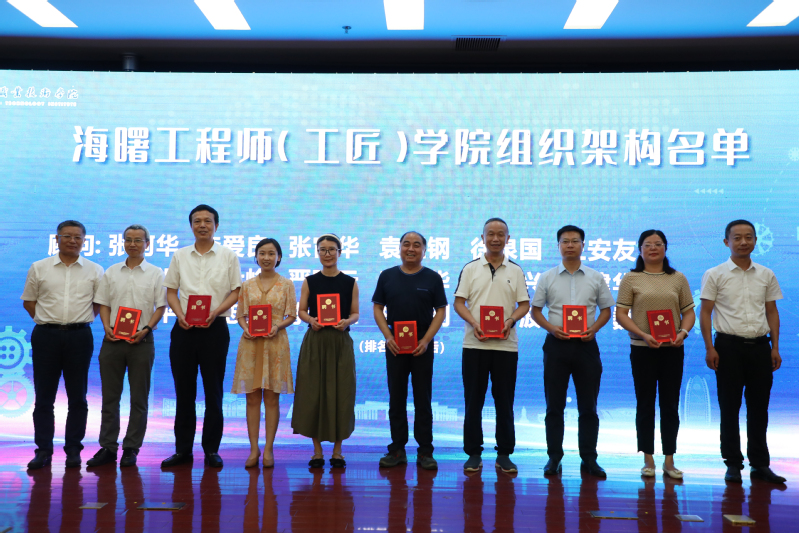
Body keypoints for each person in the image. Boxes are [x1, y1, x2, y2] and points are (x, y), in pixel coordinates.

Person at [700, 220, 787, 484]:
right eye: (737, 237)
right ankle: (733, 464)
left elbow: (771, 311)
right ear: (726, 242)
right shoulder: (715, 274)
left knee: (759, 408)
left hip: (760, 347)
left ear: (755, 241)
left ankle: (759, 464)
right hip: (728, 347)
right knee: (729, 407)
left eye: (748, 237)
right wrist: (709, 347)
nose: (743, 242)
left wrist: (775, 347)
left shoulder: (766, 274)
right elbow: (705, 312)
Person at [161, 205, 242, 468]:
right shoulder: (180, 255)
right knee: (184, 392)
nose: (203, 225)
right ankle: (183, 450)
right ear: (191, 225)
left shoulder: (228, 256)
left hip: (215, 329)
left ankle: (211, 450)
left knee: (213, 391)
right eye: (197, 221)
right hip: (184, 329)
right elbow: (171, 290)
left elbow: (236, 291)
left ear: (216, 226)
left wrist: (217, 311)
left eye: (208, 221)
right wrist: (179, 314)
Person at [531, 225, 614, 478]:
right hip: (556, 345)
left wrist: (594, 329)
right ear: (558, 246)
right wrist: (552, 329)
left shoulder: (595, 277)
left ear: (583, 245)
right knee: (554, 406)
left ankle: (589, 458)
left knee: (588, 406)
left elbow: (606, 310)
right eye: (565, 241)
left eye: (575, 241)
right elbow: (536, 311)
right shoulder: (547, 277)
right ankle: (554, 457)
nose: (570, 245)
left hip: (586, 345)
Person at [21, 220, 104, 469]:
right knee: (44, 397)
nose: (72, 241)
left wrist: (77, 321)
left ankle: (73, 450)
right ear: (56, 239)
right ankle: (43, 450)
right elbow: (29, 302)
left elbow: (98, 304)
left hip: (80, 337)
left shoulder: (95, 270)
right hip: (46, 336)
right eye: (67, 236)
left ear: (84, 241)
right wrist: (48, 321)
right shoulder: (39, 267)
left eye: (78, 237)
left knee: (78, 397)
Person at [615, 229, 695, 479]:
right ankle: (648, 458)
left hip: (673, 349)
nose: (653, 248)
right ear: (640, 250)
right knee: (645, 403)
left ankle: (669, 460)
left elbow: (689, 312)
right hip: (642, 349)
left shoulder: (678, 278)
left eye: (658, 244)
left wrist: (683, 333)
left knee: (670, 404)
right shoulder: (631, 278)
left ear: (665, 248)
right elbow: (621, 315)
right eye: (648, 244)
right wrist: (642, 334)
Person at [454, 217, 530, 473]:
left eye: (500, 234)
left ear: (508, 239)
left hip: (506, 346)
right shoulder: (470, 268)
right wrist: (474, 323)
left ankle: (504, 453)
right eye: (490, 234)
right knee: (473, 401)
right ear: (482, 237)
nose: (495, 238)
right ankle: (473, 453)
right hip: (474, 344)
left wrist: (510, 320)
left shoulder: (515, 270)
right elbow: (459, 303)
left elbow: (524, 304)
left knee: (504, 402)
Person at [87, 224, 167, 468]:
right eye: (128, 240)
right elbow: (103, 303)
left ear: (147, 244)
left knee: (139, 398)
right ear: (123, 243)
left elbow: (161, 306)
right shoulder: (112, 271)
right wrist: (107, 327)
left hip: (142, 341)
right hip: (113, 340)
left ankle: (131, 448)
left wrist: (147, 329)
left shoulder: (156, 273)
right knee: (110, 397)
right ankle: (108, 447)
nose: (133, 244)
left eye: (138, 240)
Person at [372, 231, 448, 470]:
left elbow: (441, 311)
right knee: (396, 398)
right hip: (395, 345)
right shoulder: (387, 276)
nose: (411, 249)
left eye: (417, 245)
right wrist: (388, 336)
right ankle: (397, 449)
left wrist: (426, 340)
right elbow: (377, 308)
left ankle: (425, 451)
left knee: (423, 399)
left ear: (424, 250)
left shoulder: (433, 278)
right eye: (406, 244)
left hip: (422, 345)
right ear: (399, 248)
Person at [291, 234, 359, 468]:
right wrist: (311, 320)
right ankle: (317, 451)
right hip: (316, 341)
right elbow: (301, 311)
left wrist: (346, 321)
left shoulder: (350, 282)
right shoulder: (310, 281)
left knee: (342, 393)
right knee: (313, 393)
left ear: (340, 252)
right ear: (318, 253)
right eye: (323, 250)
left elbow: (355, 313)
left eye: (331, 249)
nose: (327, 254)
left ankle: (338, 451)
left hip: (340, 342)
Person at [232, 238, 297, 468]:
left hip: (275, 343)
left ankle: (268, 449)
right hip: (251, 344)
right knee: (251, 398)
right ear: (256, 256)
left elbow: (292, 315)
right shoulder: (247, 284)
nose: (266, 258)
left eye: (271, 253)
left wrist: (277, 326)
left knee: (271, 397)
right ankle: (253, 449)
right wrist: (245, 328)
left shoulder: (287, 284)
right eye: (262, 253)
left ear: (279, 257)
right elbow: (240, 314)